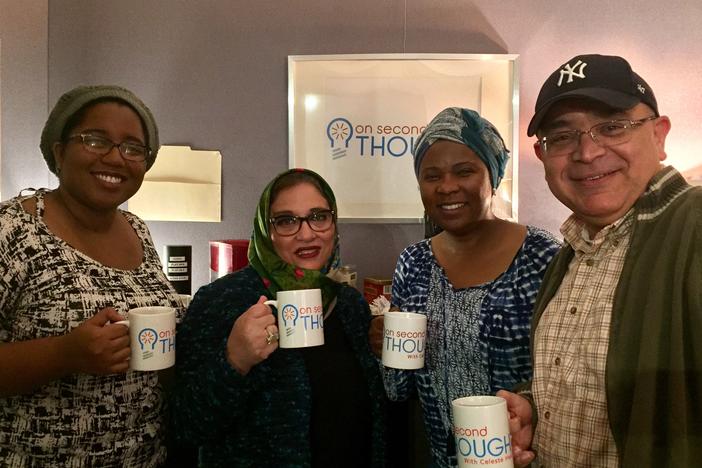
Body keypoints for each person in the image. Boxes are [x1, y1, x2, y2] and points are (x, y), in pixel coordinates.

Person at [498, 54, 702, 468]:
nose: (587, 152)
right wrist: (535, 407)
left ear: (659, 135)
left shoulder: (693, 227)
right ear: (543, 156)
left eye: (612, 127)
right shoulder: (570, 255)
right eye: (562, 137)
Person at [0, 85, 183, 466]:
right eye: (96, 140)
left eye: (133, 148)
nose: (116, 158)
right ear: (58, 150)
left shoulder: (139, 231)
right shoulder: (13, 230)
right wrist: (64, 353)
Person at [369, 108, 561, 467]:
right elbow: (399, 389)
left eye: (464, 171)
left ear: (493, 175)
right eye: (432, 175)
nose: (447, 187)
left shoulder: (541, 257)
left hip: (528, 458)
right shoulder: (414, 263)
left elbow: (567, 374)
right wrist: (382, 347)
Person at [171, 168, 386, 467]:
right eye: (286, 221)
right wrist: (235, 360)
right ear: (265, 230)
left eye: (319, 216)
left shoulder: (349, 303)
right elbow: (187, 425)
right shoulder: (221, 300)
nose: (307, 233)